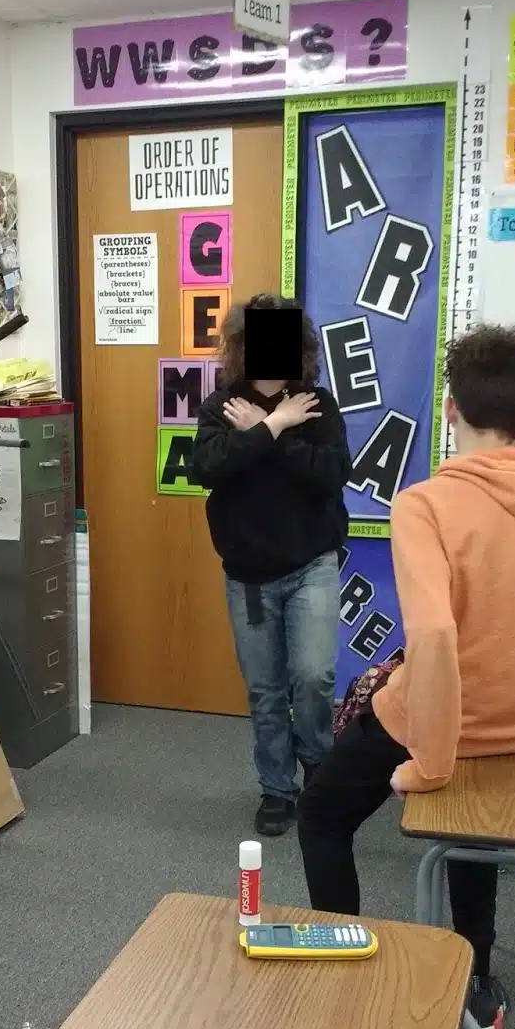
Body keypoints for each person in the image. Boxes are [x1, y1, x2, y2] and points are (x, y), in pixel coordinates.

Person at [297, 324, 515, 1029]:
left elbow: (431, 639)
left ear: (450, 409)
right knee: (471, 831)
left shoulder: (425, 504)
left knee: (322, 817)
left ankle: (339, 970)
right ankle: (477, 987)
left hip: (441, 727)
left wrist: (429, 762)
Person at [192, 294, 351, 836]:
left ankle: (319, 772)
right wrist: (268, 427)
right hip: (249, 575)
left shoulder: (317, 406)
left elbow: (330, 476)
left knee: (312, 677)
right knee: (265, 689)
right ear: (239, 348)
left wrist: (277, 426)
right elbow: (209, 469)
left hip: (311, 564)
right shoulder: (219, 408)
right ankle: (277, 789)